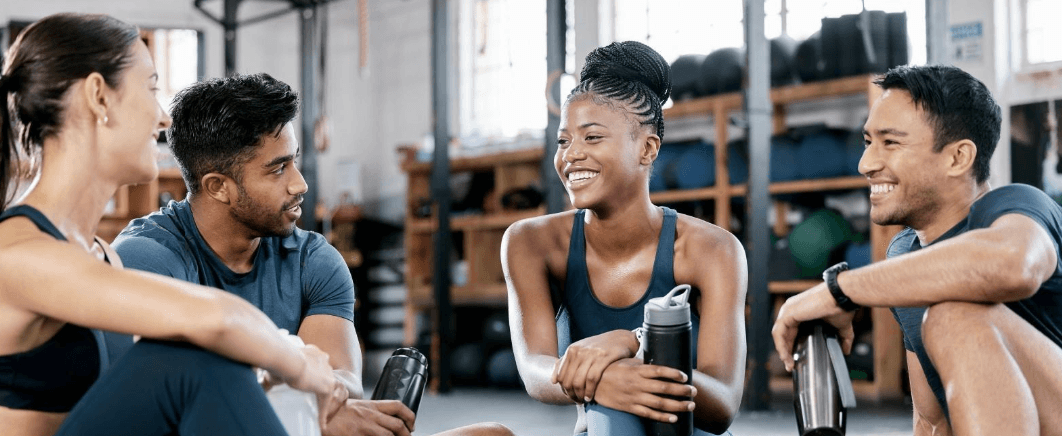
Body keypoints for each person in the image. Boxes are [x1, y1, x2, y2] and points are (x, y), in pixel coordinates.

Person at [111, 72, 512, 436]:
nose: (299, 184)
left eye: (295, 161)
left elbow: (341, 380)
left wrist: (322, 401)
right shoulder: (147, 258)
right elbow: (178, 400)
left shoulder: (312, 258)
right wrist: (310, 397)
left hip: (306, 426)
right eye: (278, 169)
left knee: (494, 435)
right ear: (218, 186)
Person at [0, 12, 342, 436]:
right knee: (195, 356)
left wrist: (266, 377)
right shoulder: (17, 256)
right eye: (151, 88)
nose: (163, 118)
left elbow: (133, 391)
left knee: (205, 354)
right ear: (99, 97)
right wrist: (299, 364)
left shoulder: (98, 254)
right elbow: (215, 319)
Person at [772, 65, 1062, 436]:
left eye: (890, 143)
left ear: (958, 158)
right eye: (867, 142)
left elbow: (1012, 265)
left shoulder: (1017, 207)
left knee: (953, 315)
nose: (867, 164)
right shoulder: (904, 255)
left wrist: (837, 291)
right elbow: (930, 419)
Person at [502, 41, 747, 436]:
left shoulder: (713, 249)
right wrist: (608, 380)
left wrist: (635, 344)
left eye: (592, 138)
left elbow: (722, 404)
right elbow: (534, 369)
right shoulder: (530, 242)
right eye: (564, 141)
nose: (571, 156)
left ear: (647, 148)